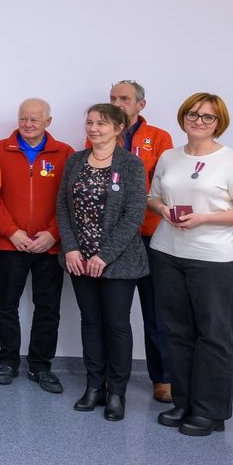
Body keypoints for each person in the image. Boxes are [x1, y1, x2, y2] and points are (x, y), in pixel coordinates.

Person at [147, 93, 233, 436]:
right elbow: (153, 196)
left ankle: (210, 412)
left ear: (218, 123)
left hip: (212, 259)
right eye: (193, 114)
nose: (199, 121)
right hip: (167, 253)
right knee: (176, 331)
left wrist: (203, 218)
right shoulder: (169, 156)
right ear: (183, 118)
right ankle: (184, 402)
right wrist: (163, 210)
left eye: (208, 117)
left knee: (214, 336)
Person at [56, 103, 148, 421]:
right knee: (90, 323)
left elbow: (134, 215)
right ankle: (94, 386)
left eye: (102, 123)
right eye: (91, 122)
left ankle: (117, 393)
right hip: (79, 260)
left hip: (119, 262)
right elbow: (62, 208)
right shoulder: (76, 161)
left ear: (118, 127)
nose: (94, 128)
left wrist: (103, 256)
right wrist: (70, 249)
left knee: (117, 325)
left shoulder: (131, 165)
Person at [0, 98, 74, 393]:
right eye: (23, 118)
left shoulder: (64, 153)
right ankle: (8, 360)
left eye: (34, 119)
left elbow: (69, 200)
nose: (27, 124)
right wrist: (12, 232)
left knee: (47, 307)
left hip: (48, 246)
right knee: (6, 304)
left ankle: (41, 365)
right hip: (10, 244)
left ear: (48, 121)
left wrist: (53, 234)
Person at [109, 79, 174, 402]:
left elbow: (163, 187)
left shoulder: (160, 139)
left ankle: (162, 378)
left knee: (155, 311)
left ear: (140, 105)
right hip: (114, 239)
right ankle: (111, 376)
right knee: (114, 314)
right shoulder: (103, 132)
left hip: (150, 236)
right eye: (113, 98)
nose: (118, 103)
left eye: (125, 98)